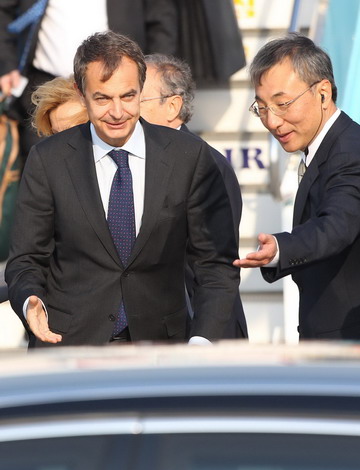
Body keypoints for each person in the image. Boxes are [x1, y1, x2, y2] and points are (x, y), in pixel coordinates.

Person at [5, 31, 240, 347]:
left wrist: (201, 342)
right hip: (67, 347)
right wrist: (29, 299)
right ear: (81, 92)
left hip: (163, 351)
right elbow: (27, 259)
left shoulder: (188, 156)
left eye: (128, 96)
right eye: (102, 98)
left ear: (141, 89)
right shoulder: (48, 159)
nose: (117, 112)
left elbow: (215, 265)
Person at [234, 32, 360, 341]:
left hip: (352, 346)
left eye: (282, 104)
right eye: (262, 108)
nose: (272, 121)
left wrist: (282, 248)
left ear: (323, 93)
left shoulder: (350, 153)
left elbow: (337, 225)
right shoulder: (328, 147)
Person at [141, 53, 247, 338]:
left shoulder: (207, 165)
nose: (124, 111)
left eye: (135, 99)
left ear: (172, 105)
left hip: (203, 330)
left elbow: (213, 263)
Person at [0, 0, 178, 164]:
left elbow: (161, 16)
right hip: (45, 84)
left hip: (116, 87)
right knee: (45, 163)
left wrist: (154, 74)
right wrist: (7, 65)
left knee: (118, 163)